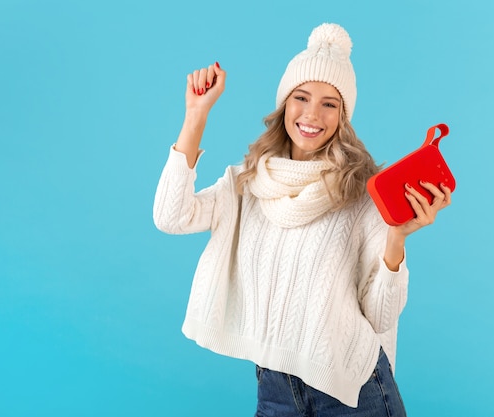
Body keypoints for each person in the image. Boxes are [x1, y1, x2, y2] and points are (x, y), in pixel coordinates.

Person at [153, 22, 451, 417]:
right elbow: (171, 216)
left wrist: (397, 237)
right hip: (275, 387)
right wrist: (196, 116)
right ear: (284, 104)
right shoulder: (245, 184)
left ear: (344, 116)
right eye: (301, 97)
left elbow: (380, 316)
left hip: (354, 389)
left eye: (330, 103)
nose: (312, 114)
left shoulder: (362, 193)